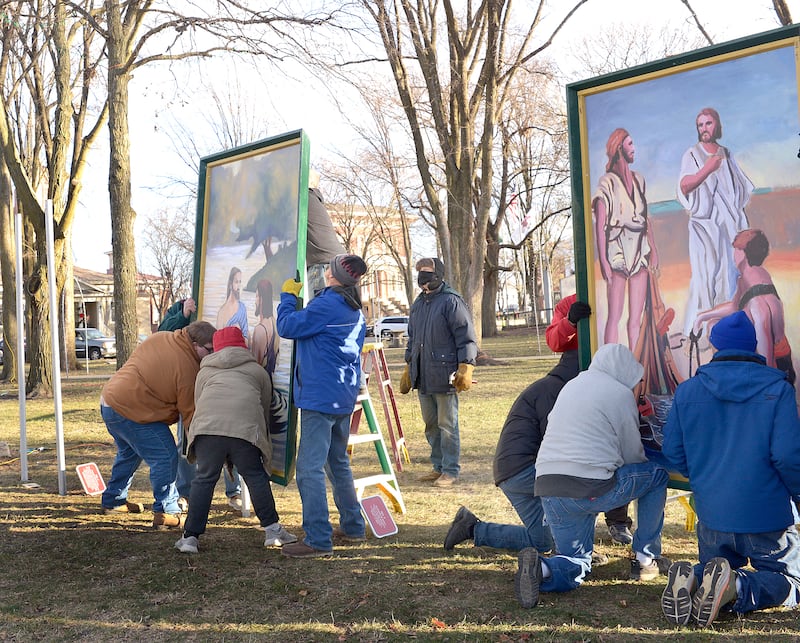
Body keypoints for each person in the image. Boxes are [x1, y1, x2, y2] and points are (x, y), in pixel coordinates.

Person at [660, 311, 800, 627]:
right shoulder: (778, 390)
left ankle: (693, 580)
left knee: (716, 565)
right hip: (767, 514)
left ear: (716, 346)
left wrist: (703, 477)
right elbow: (788, 457)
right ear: (753, 347)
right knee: (789, 580)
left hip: (712, 511)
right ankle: (734, 587)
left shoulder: (688, 390)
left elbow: (672, 451)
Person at [513, 343, 670, 608]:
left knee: (577, 561)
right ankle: (645, 559)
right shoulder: (619, 394)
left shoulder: (572, 386)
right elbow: (633, 454)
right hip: (591, 487)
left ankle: (542, 570)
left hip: (549, 488)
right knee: (657, 475)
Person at [276, 253, 369, 558]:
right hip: (341, 395)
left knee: (309, 468)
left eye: (327, 271)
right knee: (336, 462)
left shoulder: (328, 304)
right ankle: (353, 527)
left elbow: (288, 327)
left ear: (333, 277)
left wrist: (288, 297)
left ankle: (318, 539)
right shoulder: (353, 306)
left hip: (320, 396)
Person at [174, 326, 297, 554]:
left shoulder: (205, 371)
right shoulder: (257, 371)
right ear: (243, 346)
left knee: (204, 480)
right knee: (255, 476)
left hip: (207, 431)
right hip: (245, 431)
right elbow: (265, 404)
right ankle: (272, 531)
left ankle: (190, 538)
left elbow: (199, 401)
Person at [442, 349, 578, 554]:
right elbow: (557, 443)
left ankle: (471, 528)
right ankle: (579, 549)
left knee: (543, 543)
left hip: (511, 471)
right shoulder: (556, 392)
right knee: (581, 487)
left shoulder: (548, 387)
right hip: (524, 470)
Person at [99, 321, 216, 529]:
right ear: (195, 342)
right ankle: (166, 510)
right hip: (133, 409)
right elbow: (191, 415)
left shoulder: (162, 337)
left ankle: (113, 501)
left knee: (129, 454)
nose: (212, 354)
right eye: (209, 349)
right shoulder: (188, 368)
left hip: (110, 402)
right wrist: (202, 445)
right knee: (165, 456)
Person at [544, 293, 634, 546]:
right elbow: (553, 341)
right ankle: (581, 519)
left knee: (617, 447)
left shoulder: (621, 289)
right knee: (582, 449)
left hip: (616, 379)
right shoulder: (570, 301)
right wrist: (570, 322)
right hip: (577, 381)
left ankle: (618, 520)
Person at [159, 295, 244, 510]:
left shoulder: (233, 307)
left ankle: (234, 492)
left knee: (228, 437)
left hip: (219, 388)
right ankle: (185, 492)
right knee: (186, 442)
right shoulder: (183, 307)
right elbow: (163, 333)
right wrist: (183, 314)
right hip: (189, 389)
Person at [399, 258, 478, 487]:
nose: (423, 276)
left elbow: (466, 336)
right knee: (431, 425)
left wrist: (466, 366)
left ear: (439, 274)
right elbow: (413, 338)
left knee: (447, 425)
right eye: (420, 272)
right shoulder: (418, 303)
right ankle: (438, 467)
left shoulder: (451, 301)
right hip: (422, 375)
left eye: (427, 272)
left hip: (445, 375)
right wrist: (409, 364)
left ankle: (451, 470)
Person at [678, 107, 753, 336]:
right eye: (700, 125)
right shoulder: (692, 154)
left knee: (730, 275)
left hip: (728, 226)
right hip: (704, 227)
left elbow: (741, 188)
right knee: (705, 276)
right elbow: (684, 185)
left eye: (708, 124)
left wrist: (734, 215)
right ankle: (699, 329)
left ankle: (726, 328)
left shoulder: (725, 153)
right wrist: (708, 170)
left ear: (716, 125)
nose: (704, 129)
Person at [692, 229, 795, 384]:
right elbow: (735, 306)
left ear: (744, 254)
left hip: (778, 368)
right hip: (767, 358)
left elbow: (767, 356)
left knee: (717, 330)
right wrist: (702, 316)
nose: (733, 253)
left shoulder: (758, 302)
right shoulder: (752, 277)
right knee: (713, 324)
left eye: (736, 249)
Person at [593, 128, 659, 349]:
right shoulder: (607, 183)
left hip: (640, 249)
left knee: (635, 319)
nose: (634, 149)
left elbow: (645, 219)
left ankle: (636, 371)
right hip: (617, 249)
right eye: (630, 144)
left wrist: (654, 252)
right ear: (619, 147)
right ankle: (611, 368)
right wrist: (603, 261)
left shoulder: (639, 180)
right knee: (615, 316)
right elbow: (600, 226)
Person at [306, 168, 346, 297]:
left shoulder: (304, 199)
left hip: (323, 264)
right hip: (337, 263)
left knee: (319, 313)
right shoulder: (314, 200)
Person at [250, 279, 280, 374]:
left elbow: (255, 365)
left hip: (260, 383)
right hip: (269, 381)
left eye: (257, 296)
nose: (255, 301)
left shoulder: (260, 329)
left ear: (262, 299)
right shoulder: (274, 323)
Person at [216, 266, 249, 338]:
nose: (239, 286)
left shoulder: (242, 307)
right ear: (230, 284)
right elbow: (219, 341)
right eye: (236, 282)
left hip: (242, 348)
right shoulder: (222, 312)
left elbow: (246, 336)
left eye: (240, 282)